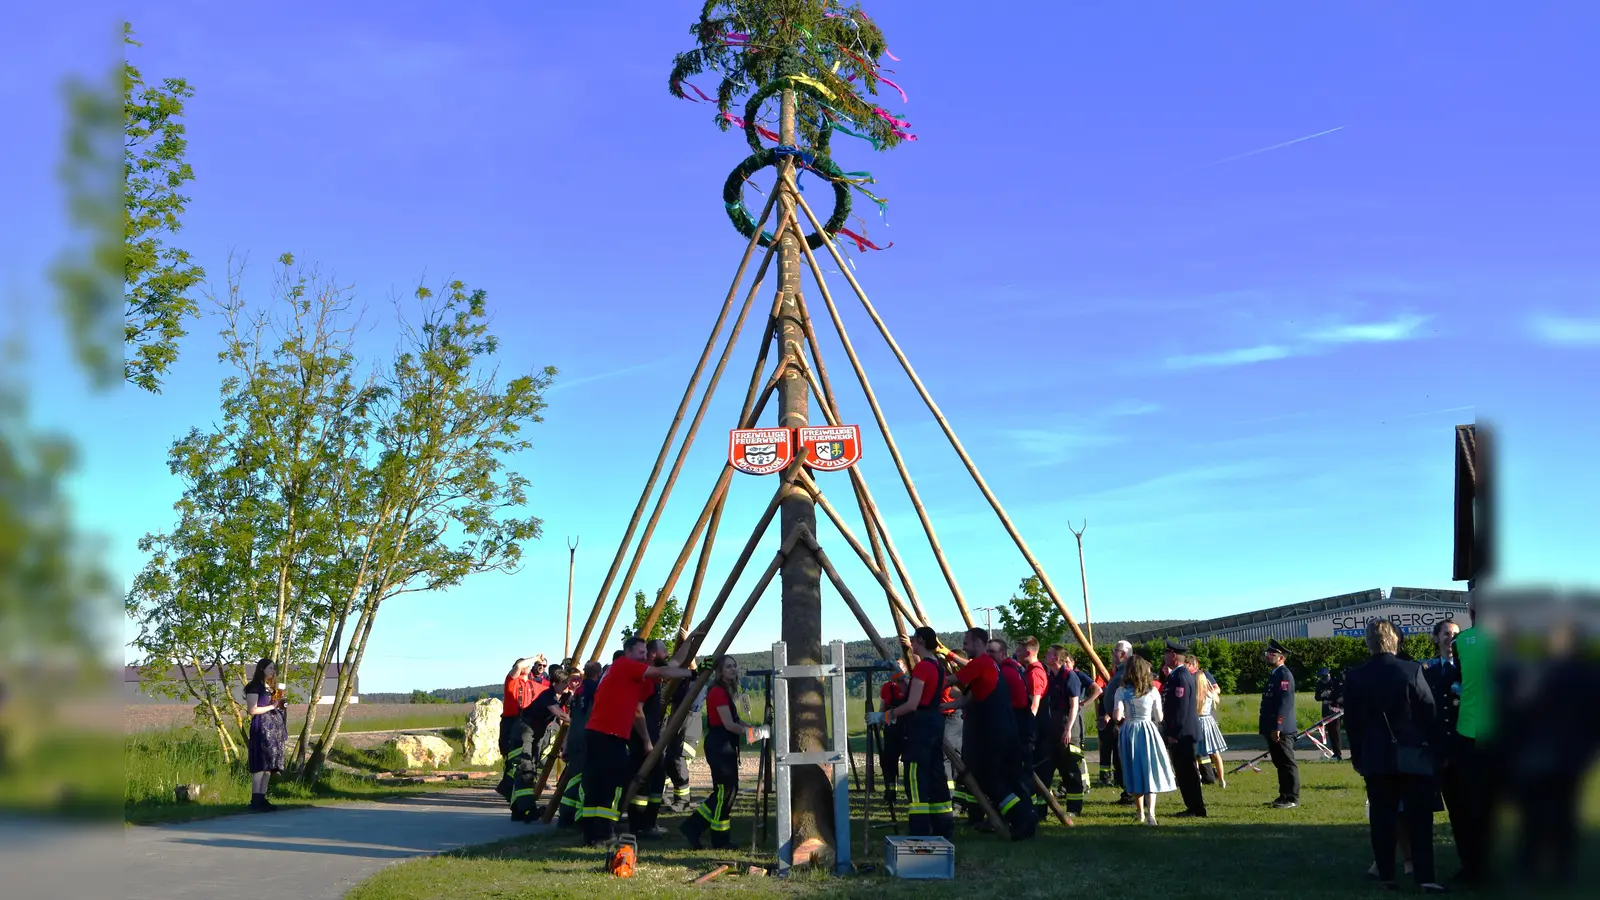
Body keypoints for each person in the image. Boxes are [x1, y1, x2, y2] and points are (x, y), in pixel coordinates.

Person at [1343, 618, 1443, 893]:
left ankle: (1386, 874)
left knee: (1382, 819)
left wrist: (1358, 756)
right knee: (1420, 820)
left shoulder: (1355, 677)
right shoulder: (1412, 671)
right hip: (1412, 754)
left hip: (1376, 756)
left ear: (1368, 643)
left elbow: (1351, 723)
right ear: (1395, 640)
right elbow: (1429, 712)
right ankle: (1425, 876)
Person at [579, 632, 699, 846]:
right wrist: (692, 674)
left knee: (597, 785)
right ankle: (605, 834)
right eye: (641, 652)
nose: (644, 657)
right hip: (608, 734)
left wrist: (689, 641)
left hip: (600, 732)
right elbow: (664, 670)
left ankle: (591, 833)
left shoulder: (622, 669)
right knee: (610, 785)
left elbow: (671, 663)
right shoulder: (626, 665)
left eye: (645, 653)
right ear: (628, 652)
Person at [945, 628, 1037, 840]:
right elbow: (966, 699)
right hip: (1004, 732)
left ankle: (1021, 816)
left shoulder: (981, 663)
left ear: (978, 642)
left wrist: (922, 687)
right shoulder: (989, 666)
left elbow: (951, 681)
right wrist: (940, 705)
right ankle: (1023, 818)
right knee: (1007, 778)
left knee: (990, 779)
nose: (965, 646)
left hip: (995, 734)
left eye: (966, 642)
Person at [885, 626, 955, 838]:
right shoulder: (937, 666)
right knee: (936, 773)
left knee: (915, 774)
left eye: (914, 641)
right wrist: (899, 677)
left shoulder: (924, 667)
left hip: (921, 723)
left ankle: (920, 828)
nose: (911, 644)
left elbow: (912, 703)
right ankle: (943, 827)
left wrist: (887, 716)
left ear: (922, 641)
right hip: (934, 721)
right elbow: (919, 693)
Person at [680, 655, 751, 849]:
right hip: (719, 745)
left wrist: (753, 728)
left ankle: (693, 827)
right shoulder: (718, 692)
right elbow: (728, 724)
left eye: (734, 666)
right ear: (719, 671)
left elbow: (736, 719)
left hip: (725, 744)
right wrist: (751, 732)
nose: (733, 669)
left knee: (728, 791)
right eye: (728, 666)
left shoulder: (725, 691)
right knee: (724, 792)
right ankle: (719, 839)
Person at [1115, 656, 1176, 825]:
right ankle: (1152, 814)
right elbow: (1159, 716)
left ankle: (1140, 811)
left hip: (1130, 730)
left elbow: (1117, 715)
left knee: (1134, 769)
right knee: (1149, 768)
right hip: (1148, 729)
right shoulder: (1152, 691)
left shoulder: (1121, 691)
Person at [627, 639, 674, 838]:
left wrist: (690, 639)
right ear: (654, 654)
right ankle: (641, 826)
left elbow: (676, 664)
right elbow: (637, 710)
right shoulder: (646, 678)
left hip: (650, 736)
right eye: (664, 651)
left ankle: (648, 824)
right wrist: (647, 740)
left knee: (655, 781)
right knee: (645, 782)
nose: (667, 655)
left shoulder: (652, 676)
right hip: (643, 738)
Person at [1161, 641, 1207, 818]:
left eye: (1166, 653)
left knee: (1187, 772)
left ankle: (1196, 808)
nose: (1164, 657)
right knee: (1184, 772)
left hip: (1183, 734)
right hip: (1181, 732)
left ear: (1173, 655)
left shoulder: (1180, 676)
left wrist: (1173, 733)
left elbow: (1180, 709)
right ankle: (1193, 806)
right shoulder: (1176, 675)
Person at [989, 638, 1036, 805]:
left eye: (992, 652)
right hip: (1018, 726)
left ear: (1002, 653)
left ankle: (1026, 812)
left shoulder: (1007, 672)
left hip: (1019, 729)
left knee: (1018, 774)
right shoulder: (1012, 668)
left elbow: (1022, 702)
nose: (988, 656)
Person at [557, 661, 602, 828]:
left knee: (574, 777)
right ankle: (575, 816)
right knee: (582, 779)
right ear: (598, 674)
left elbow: (573, 717)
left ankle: (567, 816)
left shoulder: (579, 691)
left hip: (575, 737)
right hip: (586, 738)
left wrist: (567, 743)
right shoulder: (596, 689)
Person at [243, 658, 288, 812]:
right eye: (270, 668)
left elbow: (275, 705)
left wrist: (280, 705)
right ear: (261, 669)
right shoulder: (254, 687)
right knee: (260, 764)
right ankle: (255, 799)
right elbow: (252, 710)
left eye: (274, 668)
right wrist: (272, 706)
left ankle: (262, 798)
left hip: (273, 728)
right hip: (261, 727)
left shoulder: (270, 687)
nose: (272, 671)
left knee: (269, 765)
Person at [1259, 639, 1299, 808]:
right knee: (1279, 762)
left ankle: (1291, 798)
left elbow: (1284, 703)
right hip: (1273, 727)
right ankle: (1283, 795)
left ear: (1281, 657)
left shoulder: (1284, 675)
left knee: (1287, 762)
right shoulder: (1275, 674)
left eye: (1272, 654)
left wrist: (1278, 726)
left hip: (1281, 728)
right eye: (1267, 653)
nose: (1268, 656)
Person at [1098, 641, 1133, 801]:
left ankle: (1130, 793)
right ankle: (1127, 791)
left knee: (1125, 760)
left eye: (1115, 651)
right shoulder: (1119, 671)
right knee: (1120, 760)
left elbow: (1128, 699)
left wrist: (1121, 719)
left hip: (1124, 722)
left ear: (1124, 654)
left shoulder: (1127, 673)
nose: (1113, 654)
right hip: (1116, 721)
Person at [498, 657, 536, 799]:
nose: (528, 665)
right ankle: (508, 789)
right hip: (510, 721)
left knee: (523, 759)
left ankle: (513, 789)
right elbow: (520, 665)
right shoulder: (512, 681)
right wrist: (536, 657)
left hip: (525, 724)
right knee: (510, 757)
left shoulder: (532, 685)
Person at [1189, 656, 1227, 788]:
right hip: (1208, 721)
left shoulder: (1194, 695)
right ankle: (1221, 779)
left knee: (1195, 753)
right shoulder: (1210, 693)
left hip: (1198, 721)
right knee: (1214, 752)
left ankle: (1198, 777)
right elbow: (1216, 697)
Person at [878, 659, 910, 807]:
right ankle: (890, 793)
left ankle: (911, 794)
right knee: (889, 760)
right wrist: (878, 722)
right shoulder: (886, 687)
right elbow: (883, 706)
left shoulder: (911, 685)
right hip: (892, 728)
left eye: (899, 667)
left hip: (908, 728)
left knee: (909, 761)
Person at [1314, 666, 1346, 762]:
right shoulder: (1319, 684)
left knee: (1336, 732)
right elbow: (1317, 697)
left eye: (1325, 677)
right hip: (1326, 710)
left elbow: (1340, 695)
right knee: (1331, 733)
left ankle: (1338, 754)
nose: (1323, 679)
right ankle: (1336, 753)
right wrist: (1322, 696)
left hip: (1336, 709)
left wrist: (1331, 699)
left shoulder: (1335, 682)